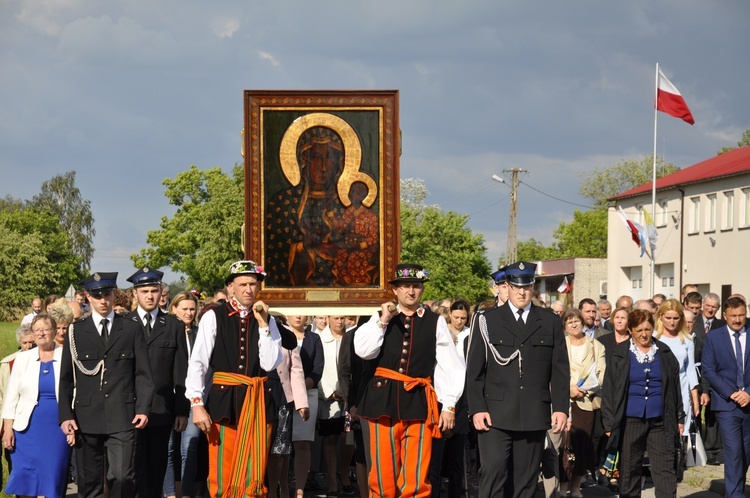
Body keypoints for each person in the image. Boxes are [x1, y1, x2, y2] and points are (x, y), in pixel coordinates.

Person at [355, 263, 465, 497]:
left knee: (417, 475)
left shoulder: (435, 322)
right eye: (405, 286)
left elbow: (451, 366)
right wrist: (384, 318)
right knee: (383, 474)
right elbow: (363, 351)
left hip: (419, 401)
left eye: (416, 286)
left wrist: (449, 405)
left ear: (422, 290)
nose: (411, 291)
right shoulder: (379, 318)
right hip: (382, 401)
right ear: (395, 290)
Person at [466, 261, 569, 498]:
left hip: (533, 412)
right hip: (495, 413)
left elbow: (560, 370)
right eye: (515, 286)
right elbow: (475, 371)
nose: (521, 292)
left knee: (525, 481)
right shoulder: (487, 319)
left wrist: (561, 408)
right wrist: (477, 408)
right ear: (507, 287)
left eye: (527, 286)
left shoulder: (549, 320)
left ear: (533, 288)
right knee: (493, 472)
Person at [185, 260, 286, 497]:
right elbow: (198, 362)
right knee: (223, 468)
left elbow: (270, 363)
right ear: (231, 287)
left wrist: (263, 325)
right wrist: (197, 404)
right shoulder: (214, 316)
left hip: (258, 402)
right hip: (224, 401)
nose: (248, 289)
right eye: (243, 284)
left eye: (253, 284)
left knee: (255, 471)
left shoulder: (269, 320)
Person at [58, 271, 155, 498]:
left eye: (107, 294)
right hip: (86, 416)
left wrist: (142, 408)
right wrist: (65, 415)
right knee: (89, 482)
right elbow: (65, 379)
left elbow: (143, 374)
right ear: (88, 297)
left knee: (121, 477)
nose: (103, 300)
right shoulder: (76, 331)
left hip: (123, 414)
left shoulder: (130, 328)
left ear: (114, 295)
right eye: (97, 295)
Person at [601, 309, 684, 498]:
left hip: (660, 421)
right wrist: (609, 423)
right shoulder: (619, 354)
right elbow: (609, 390)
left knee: (665, 470)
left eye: (647, 329)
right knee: (630, 471)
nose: (644, 334)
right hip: (630, 420)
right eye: (639, 330)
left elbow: (674, 388)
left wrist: (679, 417)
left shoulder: (664, 352)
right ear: (630, 329)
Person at [124, 267, 189, 498]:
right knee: (130, 470)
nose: (150, 296)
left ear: (161, 292)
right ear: (135, 294)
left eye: (154, 291)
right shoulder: (124, 324)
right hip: (128, 409)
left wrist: (182, 410)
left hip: (162, 410)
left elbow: (181, 373)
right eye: (144, 291)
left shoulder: (174, 325)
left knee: (157, 468)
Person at [2, 314, 70, 497]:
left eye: (46, 329)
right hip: (26, 430)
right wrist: (8, 429)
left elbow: (76, 391)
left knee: (53, 477)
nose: (41, 333)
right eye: (37, 329)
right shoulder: (23, 359)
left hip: (56, 429)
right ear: (32, 333)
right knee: (25, 479)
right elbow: (11, 397)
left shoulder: (66, 356)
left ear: (54, 332)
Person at [701, 296, 750, 498]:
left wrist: (749, 393)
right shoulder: (714, 337)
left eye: (741, 315)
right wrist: (732, 393)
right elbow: (709, 370)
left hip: (749, 403)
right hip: (727, 405)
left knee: (745, 452)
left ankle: (737, 488)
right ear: (725, 316)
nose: (738, 320)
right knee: (733, 451)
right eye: (733, 316)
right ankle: (734, 494)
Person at [560, 308, 606, 497]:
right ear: (564, 326)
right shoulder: (560, 344)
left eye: (576, 320)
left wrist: (585, 389)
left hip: (586, 401)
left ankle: (576, 486)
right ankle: (562, 486)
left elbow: (601, 374)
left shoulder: (596, 346)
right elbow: (554, 371)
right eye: (569, 321)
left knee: (582, 445)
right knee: (564, 445)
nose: (573, 324)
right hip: (563, 400)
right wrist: (568, 388)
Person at [163, 291, 202, 498]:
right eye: (184, 308)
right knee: (167, 449)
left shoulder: (199, 333)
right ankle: (169, 494)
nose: (188, 313)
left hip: (194, 398)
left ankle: (186, 494)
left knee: (190, 447)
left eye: (192, 309)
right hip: (170, 396)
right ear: (174, 309)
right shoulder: (166, 331)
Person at [266, 329, 309, 498]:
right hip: (255, 393)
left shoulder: (286, 335)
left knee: (279, 450)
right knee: (262, 447)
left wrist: (302, 403)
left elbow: (296, 370)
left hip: (282, 395)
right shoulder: (252, 330)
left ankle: (275, 491)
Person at [318, 315, 356, 496]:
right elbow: (318, 368)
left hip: (350, 398)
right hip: (329, 399)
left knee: (348, 437)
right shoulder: (320, 338)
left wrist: (349, 393)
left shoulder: (353, 336)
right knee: (330, 438)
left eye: (342, 318)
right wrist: (330, 392)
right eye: (335, 318)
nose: (339, 322)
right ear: (328, 318)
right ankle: (332, 480)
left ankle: (344, 473)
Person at [287, 315, 324, 497]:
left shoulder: (314, 338)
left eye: (301, 312)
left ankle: (299, 490)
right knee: (281, 446)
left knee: (303, 444)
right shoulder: (279, 334)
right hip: (283, 396)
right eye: (294, 312)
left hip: (308, 395)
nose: (298, 316)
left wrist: (300, 389)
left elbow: (317, 369)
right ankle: (282, 487)